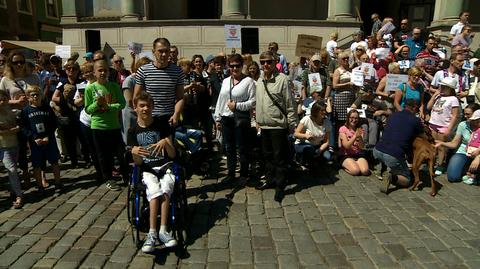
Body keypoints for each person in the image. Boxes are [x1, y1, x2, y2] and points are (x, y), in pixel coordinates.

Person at [128, 92, 178, 253]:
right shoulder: (133, 131)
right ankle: (152, 233)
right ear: (135, 108)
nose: (145, 109)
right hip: (147, 168)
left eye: (148, 106)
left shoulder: (161, 125)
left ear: (153, 107)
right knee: (154, 192)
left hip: (164, 165)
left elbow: (172, 155)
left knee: (165, 190)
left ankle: (163, 230)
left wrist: (166, 142)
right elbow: (138, 163)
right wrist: (134, 152)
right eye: (141, 106)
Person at [255, 50, 298, 202]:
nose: (265, 64)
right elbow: (258, 103)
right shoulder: (259, 80)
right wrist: (256, 121)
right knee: (267, 156)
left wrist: (292, 123)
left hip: (278, 126)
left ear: (275, 63)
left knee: (279, 158)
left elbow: (290, 103)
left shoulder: (283, 80)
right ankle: (270, 179)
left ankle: (280, 186)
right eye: (262, 62)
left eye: (268, 62)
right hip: (264, 126)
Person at [84, 59, 127, 191]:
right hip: (98, 127)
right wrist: (97, 104)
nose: (103, 73)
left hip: (114, 126)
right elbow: (87, 109)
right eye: (100, 70)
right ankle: (108, 178)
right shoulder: (90, 88)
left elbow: (122, 103)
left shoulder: (114, 86)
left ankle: (126, 175)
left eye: (105, 70)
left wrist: (108, 106)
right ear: (94, 73)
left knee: (121, 154)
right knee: (104, 155)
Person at [0, 50, 41, 183]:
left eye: (21, 62)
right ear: (10, 64)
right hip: (16, 117)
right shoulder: (5, 80)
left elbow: (41, 96)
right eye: (15, 62)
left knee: (37, 145)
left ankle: (41, 174)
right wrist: (15, 102)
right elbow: (1, 100)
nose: (19, 65)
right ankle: (25, 173)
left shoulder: (33, 77)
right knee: (21, 148)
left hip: (33, 115)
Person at [214, 53, 256, 182]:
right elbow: (221, 99)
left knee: (242, 147)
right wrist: (218, 117)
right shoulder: (226, 81)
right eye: (231, 66)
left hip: (241, 119)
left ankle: (244, 173)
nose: (234, 68)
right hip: (226, 118)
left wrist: (237, 105)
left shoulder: (248, 81)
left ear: (242, 65)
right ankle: (231, 173)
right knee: (229, 147)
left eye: (237, 65)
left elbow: (253, 102)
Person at [374, 99, 424, 193]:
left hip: (377, 150)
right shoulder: (415, 120)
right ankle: (392, 177)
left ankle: (382, 169)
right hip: (392, 155)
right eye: (417, 110)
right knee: (408, 180)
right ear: (414, 108)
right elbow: (422, 135)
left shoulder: (393, 115)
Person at [134, 38, 185, 127]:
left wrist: (176, 114)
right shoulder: (143, 71)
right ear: (153, 51)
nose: (164, 54)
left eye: (166, 51)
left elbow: (180, 98)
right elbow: (136, 97)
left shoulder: (177, 71)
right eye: (160, 51)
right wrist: (139, 115)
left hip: (169, 118)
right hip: (148, 118)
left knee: (168, 141)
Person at [20, 85, 62, 193]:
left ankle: (58, 183)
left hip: (49, 140)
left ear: (41, 96)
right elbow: (23, 127)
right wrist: (33, 137)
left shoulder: (47, 108)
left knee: (54, 162)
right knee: (37, 165)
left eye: (37, 95)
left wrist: (48, 135)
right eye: (32, 95)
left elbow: (53, 123)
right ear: (28, 97)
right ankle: (40, 186)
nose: (35, 97)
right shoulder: (25, 111)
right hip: (35, 143)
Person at [436, 103, 480, 182]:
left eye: (468, 114)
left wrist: (478, 158)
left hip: (478, 153)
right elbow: (454, 144)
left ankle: (473, 173)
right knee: (453, 177)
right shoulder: (463, 124)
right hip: (464, 151)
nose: (465, 116)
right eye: (464, 113)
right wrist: (442, 143)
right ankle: (468, 169)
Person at [427, 77, 460, 176]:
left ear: (450, 89)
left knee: (441, 146)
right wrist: (434, 96)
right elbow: (428, 107)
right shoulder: (438, 96)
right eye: (441, 86)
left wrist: (449, 128)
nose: (442, 88)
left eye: (445, 87)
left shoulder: (453, 99)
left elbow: (455, 115)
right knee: (433, 145)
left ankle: (440, 164)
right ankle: (432, 163)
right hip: (433, 123)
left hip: (443, 125)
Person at [294, 100, 332, 169]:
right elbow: (296, 134)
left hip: (317, 146)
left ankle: (313, 160)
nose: (324, 112)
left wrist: (320, 150)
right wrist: (305, 136)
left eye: (325, 110)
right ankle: (301, 159)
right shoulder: (307, 119)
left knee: (327, 156)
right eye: (322, 110)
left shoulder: (327, 122)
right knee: (310, 149)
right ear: (315, 111)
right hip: (302, 144)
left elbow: (327, 141)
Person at [0, 90, 23, 208]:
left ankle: (13, 191)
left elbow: (20, 122)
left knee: (13, 170)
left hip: (14, 144)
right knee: (12, 169)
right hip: (3, 147)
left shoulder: (11, 112)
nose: (2, 102)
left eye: (4, 99)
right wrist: (9, 130)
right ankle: (19, 195)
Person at [338, 109, 369, 176]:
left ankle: (354, 164)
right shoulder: (343, 129)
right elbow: (346, 146)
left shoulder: (360, 129)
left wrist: (360, 137)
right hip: (346, 155)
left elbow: (361, 147)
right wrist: (355, 136)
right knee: (356, 171)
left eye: (356, 118)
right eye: (351, 118)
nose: (354, 120)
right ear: (348, 118)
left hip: (358, 155)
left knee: (365, 171)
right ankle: (343, 165)